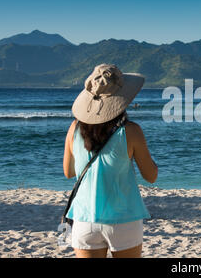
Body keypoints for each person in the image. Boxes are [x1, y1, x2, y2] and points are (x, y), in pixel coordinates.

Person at [63, 64, 158, 258]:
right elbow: (151, 176)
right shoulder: (131, 131)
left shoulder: (74, 129)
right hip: (123, 219)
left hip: (84, 219)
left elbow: (69, 172)